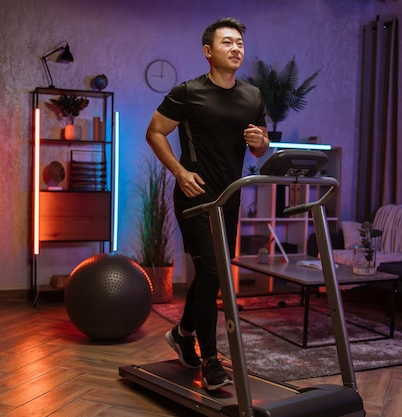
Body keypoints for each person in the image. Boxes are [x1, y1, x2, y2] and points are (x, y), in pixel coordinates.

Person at [145, 17, 270, 391]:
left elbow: (260, 149)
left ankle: (183, 333)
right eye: (228, 43)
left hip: (228, 198)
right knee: (214, 275)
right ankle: (210, 360)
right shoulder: (187, 92)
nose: (236, 49)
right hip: (195, 198)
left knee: (208, 273)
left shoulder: (252, 96)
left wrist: (260, 141)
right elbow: (155, 132)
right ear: (208, 51)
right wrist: (180, 173)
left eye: (240, 45)